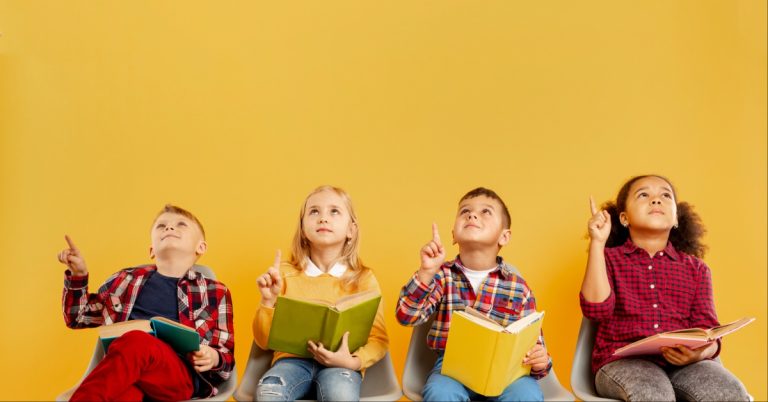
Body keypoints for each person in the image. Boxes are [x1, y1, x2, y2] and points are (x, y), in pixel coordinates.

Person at [581, 174, 749, 401]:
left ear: (676, 219)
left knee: (730, 392)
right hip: (623, 364)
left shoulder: (697, 269)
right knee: (653, 394)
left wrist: (701, 352)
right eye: (644, 195)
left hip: (686, 364)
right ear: (623, 217)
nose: (656, 200)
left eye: (665, 195)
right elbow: (596, 310)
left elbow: (708, 331)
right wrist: (597, 243)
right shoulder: (608, 259)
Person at [58, 204, 234, 401]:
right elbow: (78, 317)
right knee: (121, 395)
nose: (169, 228)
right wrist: (78, 275)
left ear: (200, 247)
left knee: (137, 340)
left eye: (180, 224)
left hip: (177, 378)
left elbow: (226, 357)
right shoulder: (123, 280)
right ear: (151, 250)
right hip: (127, 373)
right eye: (161, 226)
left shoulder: (215, 291)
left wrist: (212, 356)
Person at [396, 187, 550, 401]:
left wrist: (541, 361)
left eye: (486, 211)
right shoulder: (442, 276)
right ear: (453, 235)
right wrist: (426, 271)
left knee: (527, 394)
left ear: (504, 237)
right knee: (440, 392)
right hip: (453, 368)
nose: (472, 215)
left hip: (507, 372)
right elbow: (406, 316)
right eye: (464, 211)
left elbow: (536, 347)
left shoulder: (519, 287)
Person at [252, 185, 389, 401]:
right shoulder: (284, 274)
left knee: (341, 395)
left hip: (341, 365)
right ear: (303, 229)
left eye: (334, 211)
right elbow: (263, 341)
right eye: (314, 211)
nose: (323, 218)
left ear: (351, 230)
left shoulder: (364, 278)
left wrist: (352, 362)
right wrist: (267, 301)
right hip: (291, 362)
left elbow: (378, 338)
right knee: (268, 392)